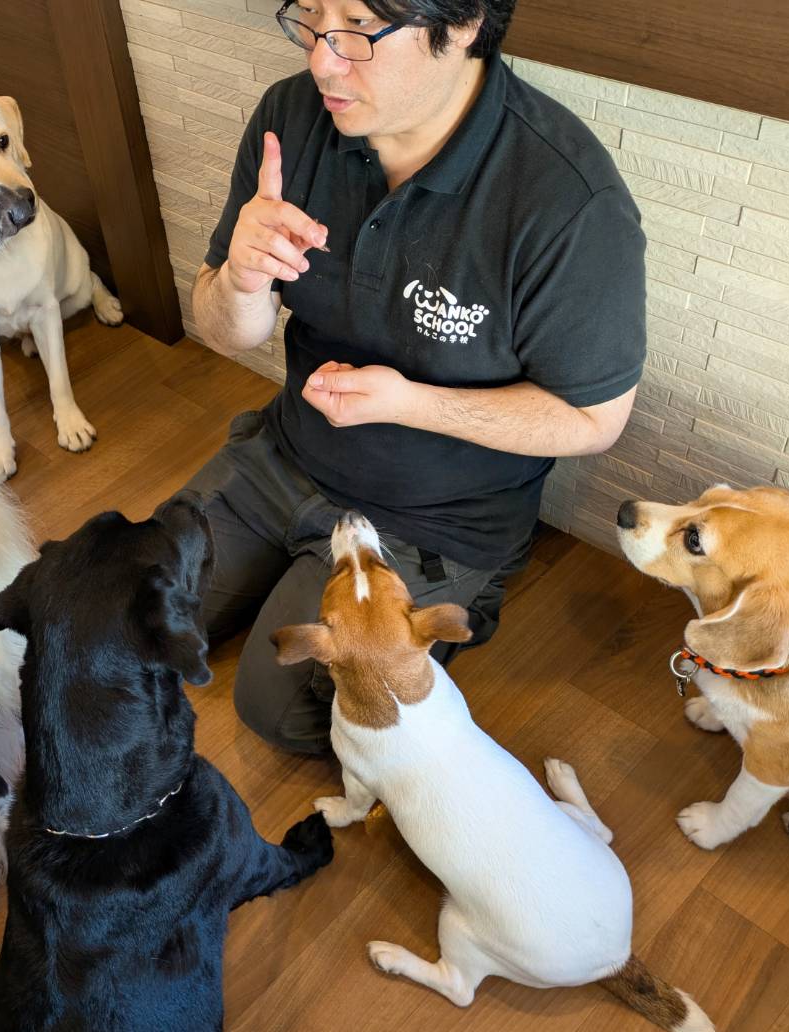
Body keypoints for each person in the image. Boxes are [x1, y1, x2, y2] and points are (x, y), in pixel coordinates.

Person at [185, 0, 646, 754]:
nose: (321, 59)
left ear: (461, 23)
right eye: (311, 16)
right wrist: (239, 278)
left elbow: (594, 419)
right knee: (133, 612)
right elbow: (222, 328)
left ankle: (471, 588)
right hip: (286, 452)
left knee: (279, 710)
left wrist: (410, 404)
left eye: (358, 28)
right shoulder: (291, 117)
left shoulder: (565, 199)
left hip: (436, 515)